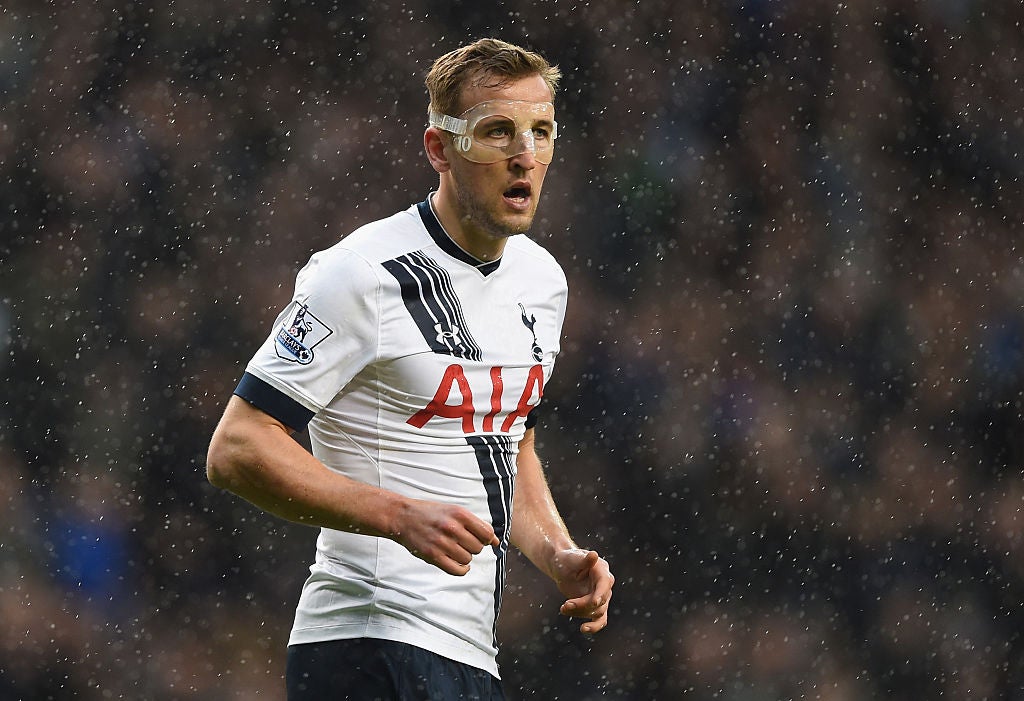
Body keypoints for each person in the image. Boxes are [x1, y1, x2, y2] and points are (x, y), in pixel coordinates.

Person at [206, 37, 614, 700]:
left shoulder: (543, 282)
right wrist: (397, 516)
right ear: (439, 149)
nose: (524, 154)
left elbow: (510, 443)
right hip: (366, 642)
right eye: (497, 131)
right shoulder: (362, 274)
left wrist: (554, 552)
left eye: (540, 132)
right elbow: (237, 447)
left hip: (467, 654)